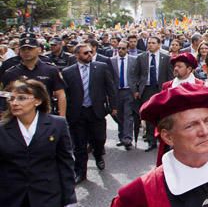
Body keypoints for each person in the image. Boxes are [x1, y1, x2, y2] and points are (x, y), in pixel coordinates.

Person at [0, 79, 77, 207]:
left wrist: (69, 196)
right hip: (10, 202)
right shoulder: (2, 128)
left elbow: (65, 162)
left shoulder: (57, 125)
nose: (15, 103)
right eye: (12, 98)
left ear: (37, 101)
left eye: (22, 98)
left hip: (46, 199)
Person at [62, 42, 117, 184]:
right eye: (85, 53)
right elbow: (65, 94)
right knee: (79, 145)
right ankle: (81, 171)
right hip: (77, 113)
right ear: (77, 55)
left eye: (90, 52)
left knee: (99, 139)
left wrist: (113, 106)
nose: (89, 55)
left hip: (96, 111)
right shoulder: (68, 72)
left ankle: (98, 156)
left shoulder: (101, 67)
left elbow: (110, 88)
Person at [0, 32, 67, 116]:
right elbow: (5, 97)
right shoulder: (11, 73)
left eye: (30, 49)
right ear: (19, 51)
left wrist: (62, 117)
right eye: (23, 49)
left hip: (45, 116)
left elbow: (60, 94)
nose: (26, 52)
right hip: (19, 117)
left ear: (39, 49)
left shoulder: (51, 70)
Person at [134, 36, 174, 151]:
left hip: (160, 89)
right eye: (149, 43)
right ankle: (151, 140)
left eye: (153, 43)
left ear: (159, 44)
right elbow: (136, 74)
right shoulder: (141, 58)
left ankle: (162, 138)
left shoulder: (166, 58)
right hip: (146, 89)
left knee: (162, 116)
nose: (150, 45)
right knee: (149, 115)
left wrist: (168, 90)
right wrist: (136, 90)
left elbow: (170, 76)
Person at [110, 41, 137, 150]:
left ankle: (127, 138)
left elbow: (137, 75)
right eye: (119, 48)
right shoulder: (111, 61)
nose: (120, 50)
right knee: (119, 116)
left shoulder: (133, 60)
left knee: (128, 115)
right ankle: (122, 137)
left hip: (129, 91)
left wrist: (136, 90)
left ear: (127, 49)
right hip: (116, 92)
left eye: (123, 48)